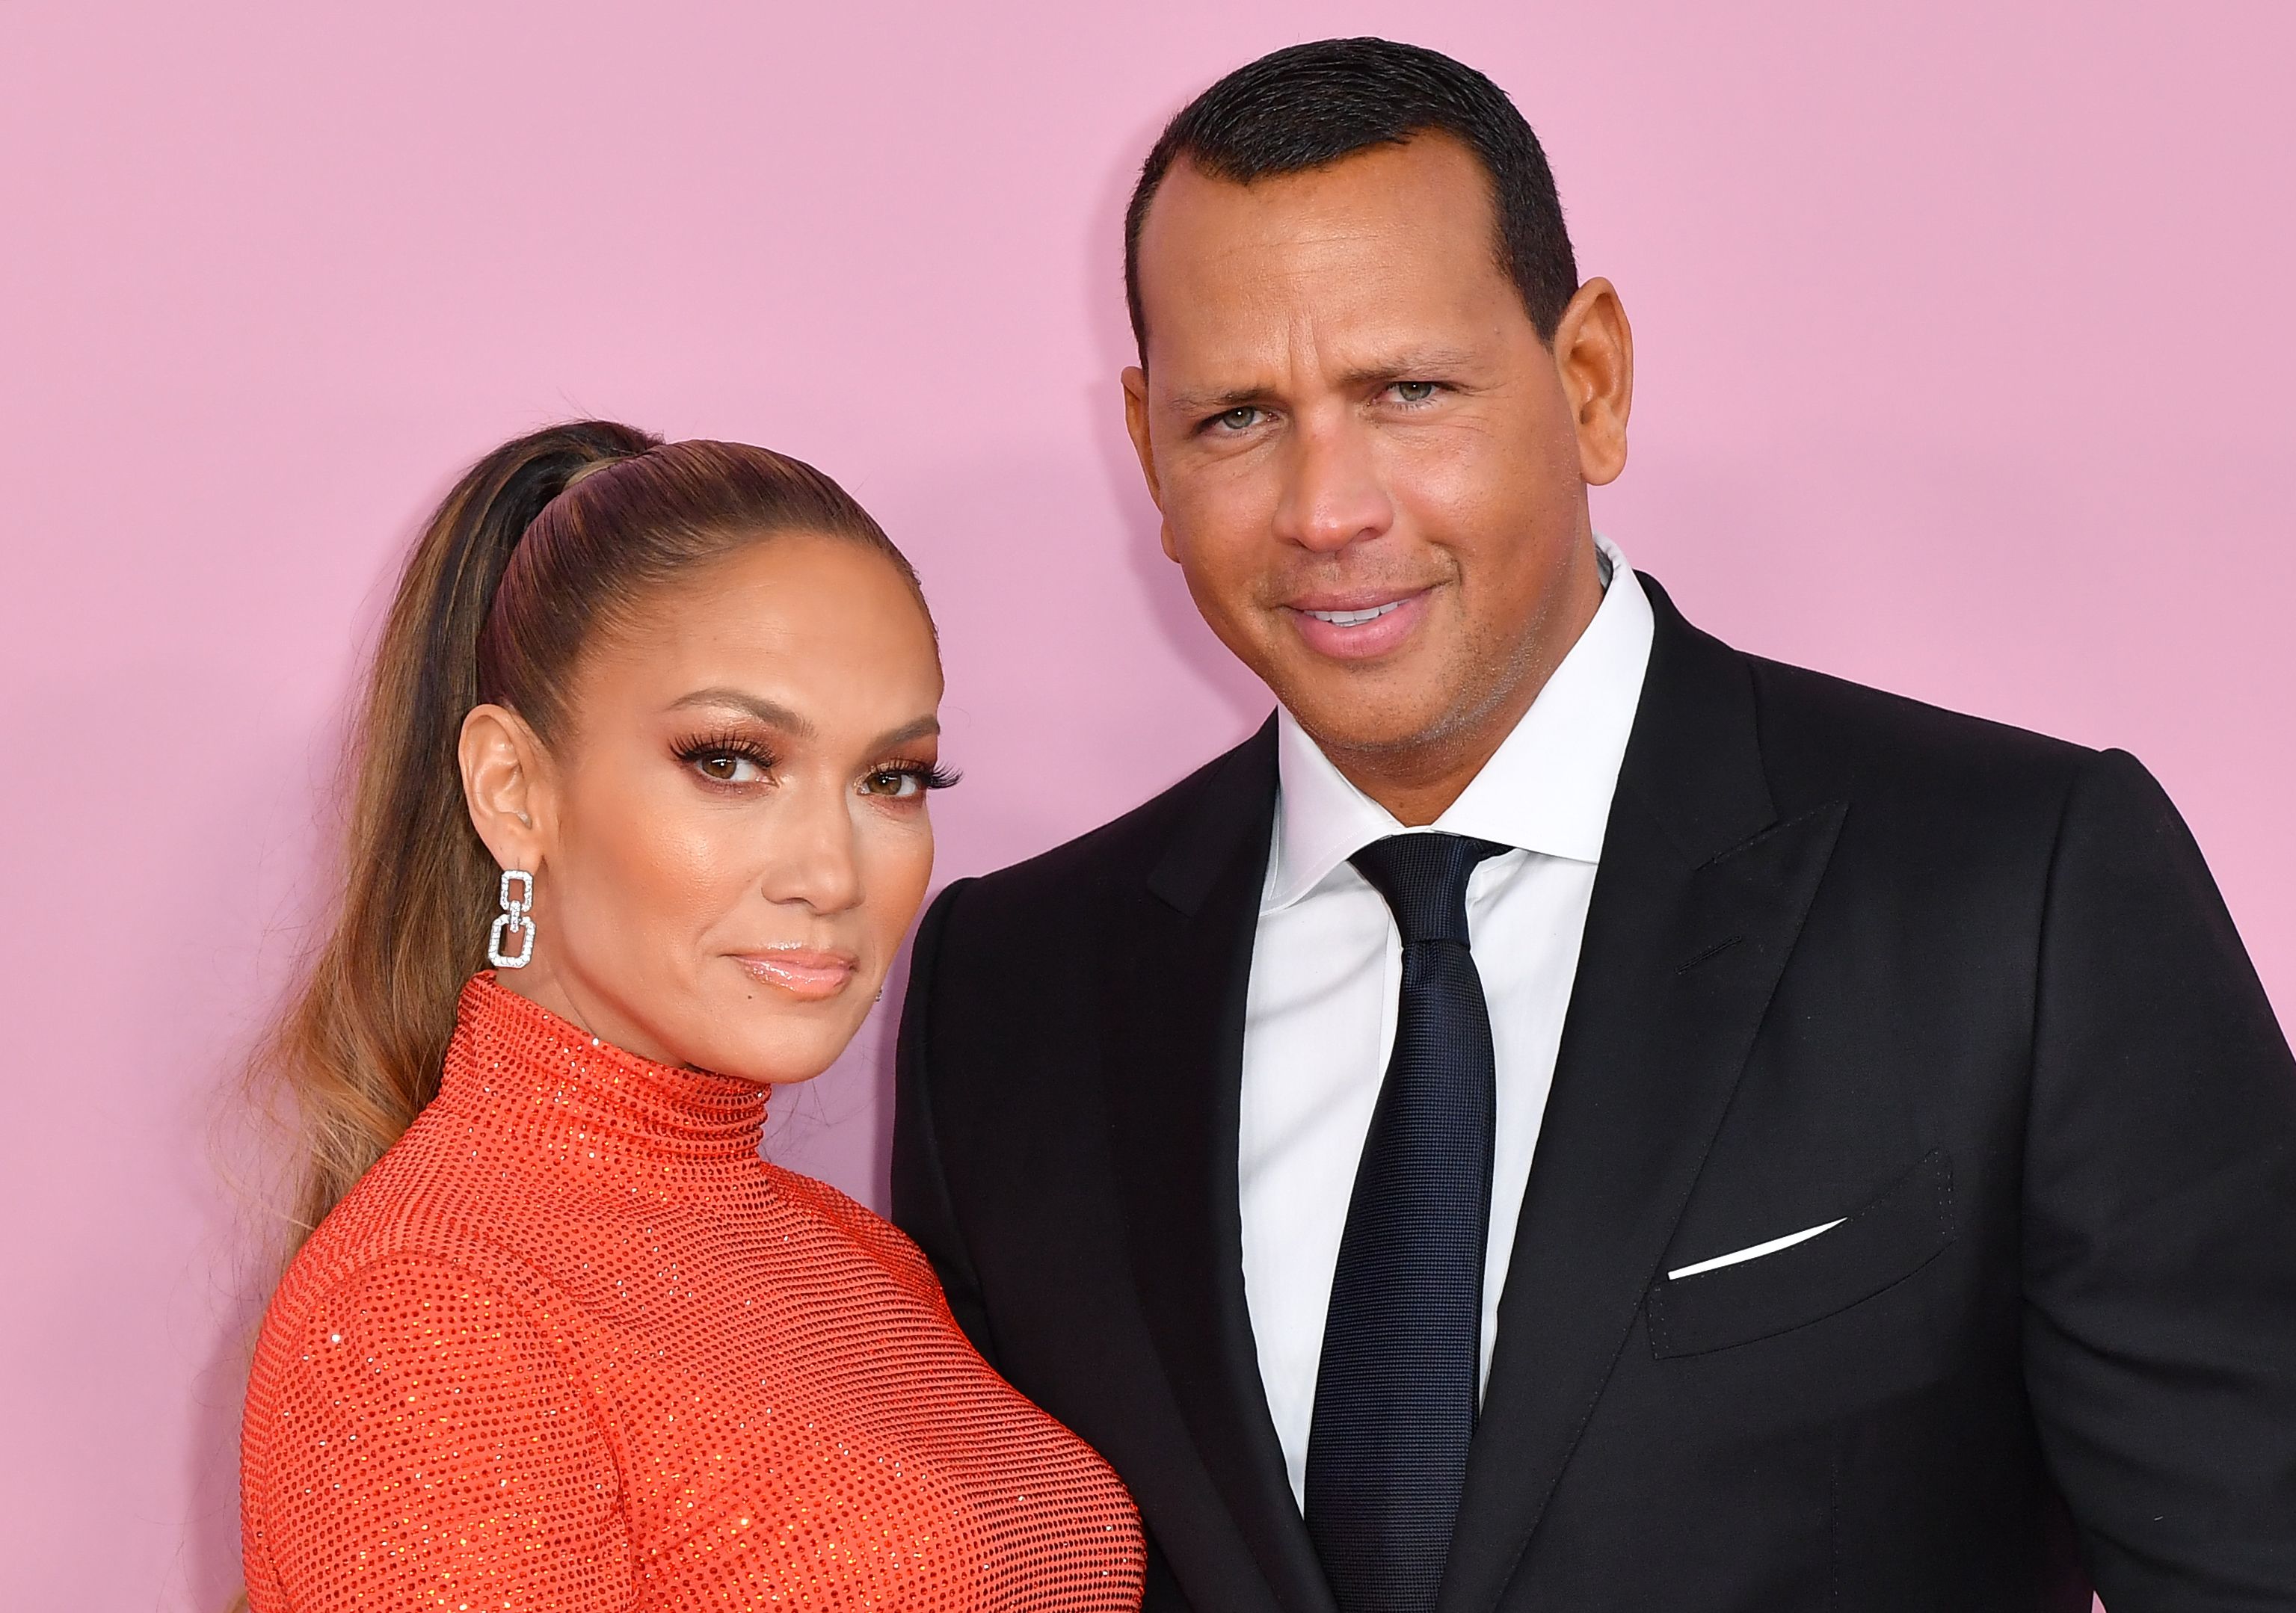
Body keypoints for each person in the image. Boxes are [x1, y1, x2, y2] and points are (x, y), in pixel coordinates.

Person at [892, 37, 2296, 1613]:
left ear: (1591, 381)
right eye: (1236, 418)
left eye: (1407, 391)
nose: (1327, 507)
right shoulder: (1005, 993)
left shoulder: (2017, 890)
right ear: (1146, 441)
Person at [238, 422, 1145, 1612]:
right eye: (731, 760)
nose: (830, 870)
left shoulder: (859, 1257)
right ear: (514, 792)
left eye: (893, 778)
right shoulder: (431, 1309)